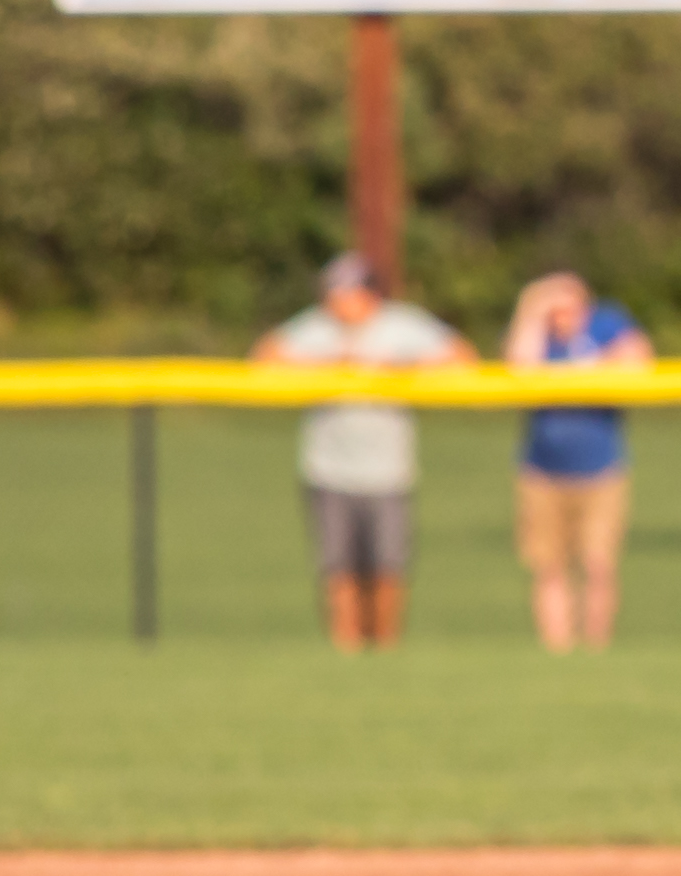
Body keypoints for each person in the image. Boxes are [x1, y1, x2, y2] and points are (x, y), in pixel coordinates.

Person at [254, 254, 471, 650]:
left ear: (369, 295)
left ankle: (385, 648)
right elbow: (265, 358)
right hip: (328, 470)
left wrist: (397, 370)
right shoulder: (317, 328)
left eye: (347, 293)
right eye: (333, 293)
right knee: (338, 569)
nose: (338, 302)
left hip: (389, 472)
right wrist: (330, 367)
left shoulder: (401, 324)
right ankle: (347, 651)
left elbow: (461, 358)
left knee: (388, 568)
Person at [504, 271, 655, 650]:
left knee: (598, 564)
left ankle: (596, 645)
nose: (561, 315)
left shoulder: (606, 324)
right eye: (552, 307)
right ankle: (557, 648)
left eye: (568, 305)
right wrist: (531, 311)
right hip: (541, 471)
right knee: (549, 566)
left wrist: (585, 363)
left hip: (600, 469)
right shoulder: (540, 337)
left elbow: (638, 361)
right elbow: (519, 368)